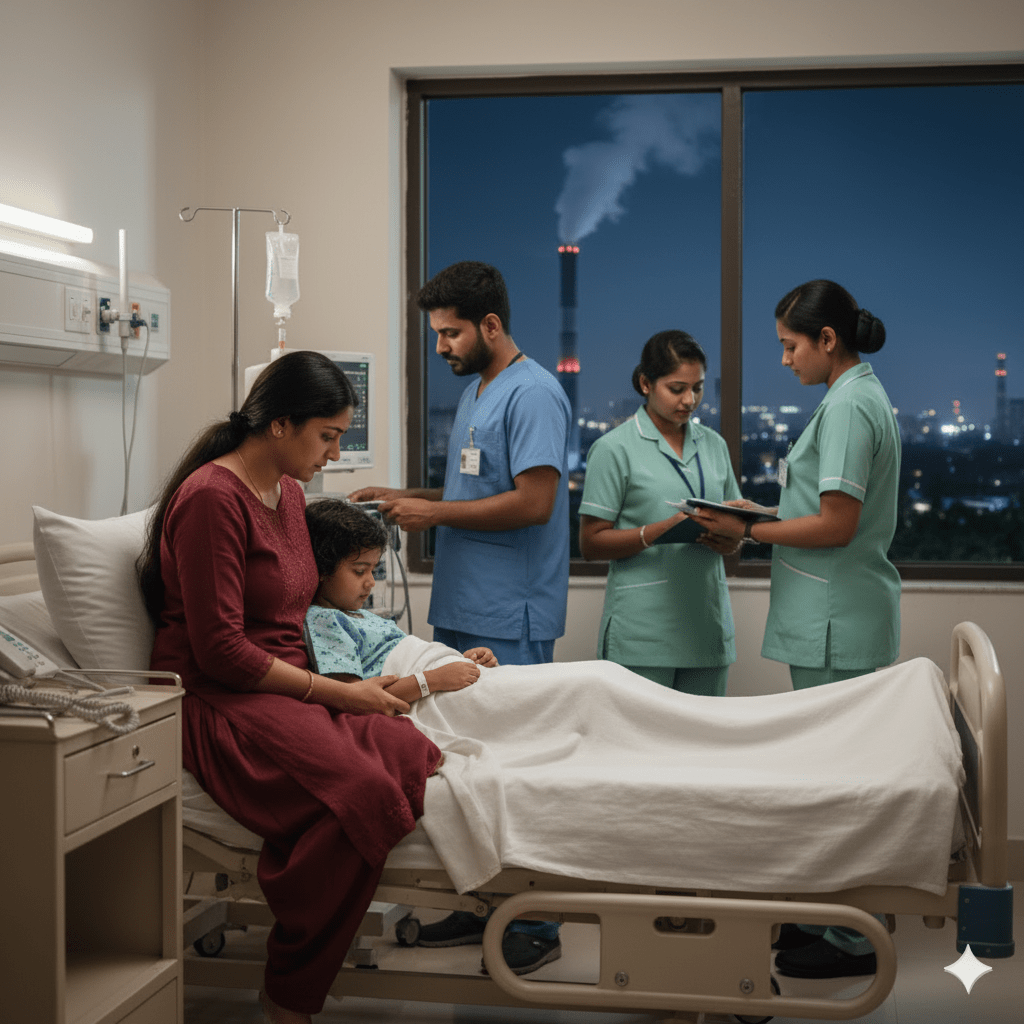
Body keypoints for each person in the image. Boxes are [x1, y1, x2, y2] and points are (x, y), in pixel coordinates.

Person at [141, 351, 442, 1024]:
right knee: (364, 793)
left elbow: (298, 611)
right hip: (222, 698)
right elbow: (221, 651)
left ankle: (309, 896)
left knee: (409, 752)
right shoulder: (212, 500)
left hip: (283, 684)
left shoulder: (290, 493)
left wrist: (349, 675)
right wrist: (339, 695)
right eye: (327, 436)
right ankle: (290, 989)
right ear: (279, 423)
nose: (334, 454)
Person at [349, 260, 571, 971]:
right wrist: (406, 495)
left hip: (509, 613)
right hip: (466, 606)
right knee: (469, 770)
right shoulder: (480, 391)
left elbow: (534, 502)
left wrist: (434, 515)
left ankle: (536, 925)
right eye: (437, 334)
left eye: (450, 333)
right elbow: (476, 489)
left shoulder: (533, 394)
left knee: (518, 772)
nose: (441, 346)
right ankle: (482, 907)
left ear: (491, 325)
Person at [688, 279, 900, 980]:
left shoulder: (850, 407)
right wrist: (758, 514)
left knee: (841, 784)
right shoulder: (853, 397)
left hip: (836, 618)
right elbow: (819, 506)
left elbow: (836, 525)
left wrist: (748, 531)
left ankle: (853, 940)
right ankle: (832, 918)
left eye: (790, 346)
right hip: (835, 612)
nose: (784, 360)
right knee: (834, 776)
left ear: (827, 340)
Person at [578, 330, 742, 696]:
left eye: (698, 388)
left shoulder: (714, 446)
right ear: (645, 384)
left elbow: (736, 520)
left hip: (707, 630)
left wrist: (730, 540)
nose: (690, 400)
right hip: (642, 635)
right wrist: (659, 531)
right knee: (641, 734)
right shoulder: (613, 449)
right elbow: (590, 543)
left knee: (706, 733)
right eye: (677, 389)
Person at [303, 498, 499, 697]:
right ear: (322, 568)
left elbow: (415, 659)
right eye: (360, 571)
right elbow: (356, 697)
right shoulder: (324, 621)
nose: (371, 582)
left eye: (373, 570)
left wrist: (461, 661)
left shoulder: (359, 615)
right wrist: (434, 679)